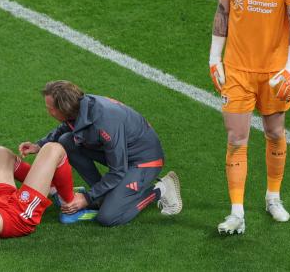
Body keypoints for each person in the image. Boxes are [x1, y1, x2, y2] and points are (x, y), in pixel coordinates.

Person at [208, 0, 290, 235]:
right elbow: (222, 14)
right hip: (237, 71)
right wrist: (214, 58)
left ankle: (273, 197)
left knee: (275, 132)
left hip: (275, 73)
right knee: (236, 137)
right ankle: (237, 212)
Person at [18, 80, 183, 227]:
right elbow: (67, 126)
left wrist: (87, 198)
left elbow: (118, 171)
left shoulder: (105, 124)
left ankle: (160, 189)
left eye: (50, 108)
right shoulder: (78, 106)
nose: (48, 112)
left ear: (64, 108)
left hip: (144, 160)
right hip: (123, 152)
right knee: (67, 141)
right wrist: (39, 145)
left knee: (108, 216)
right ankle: (104, 196)